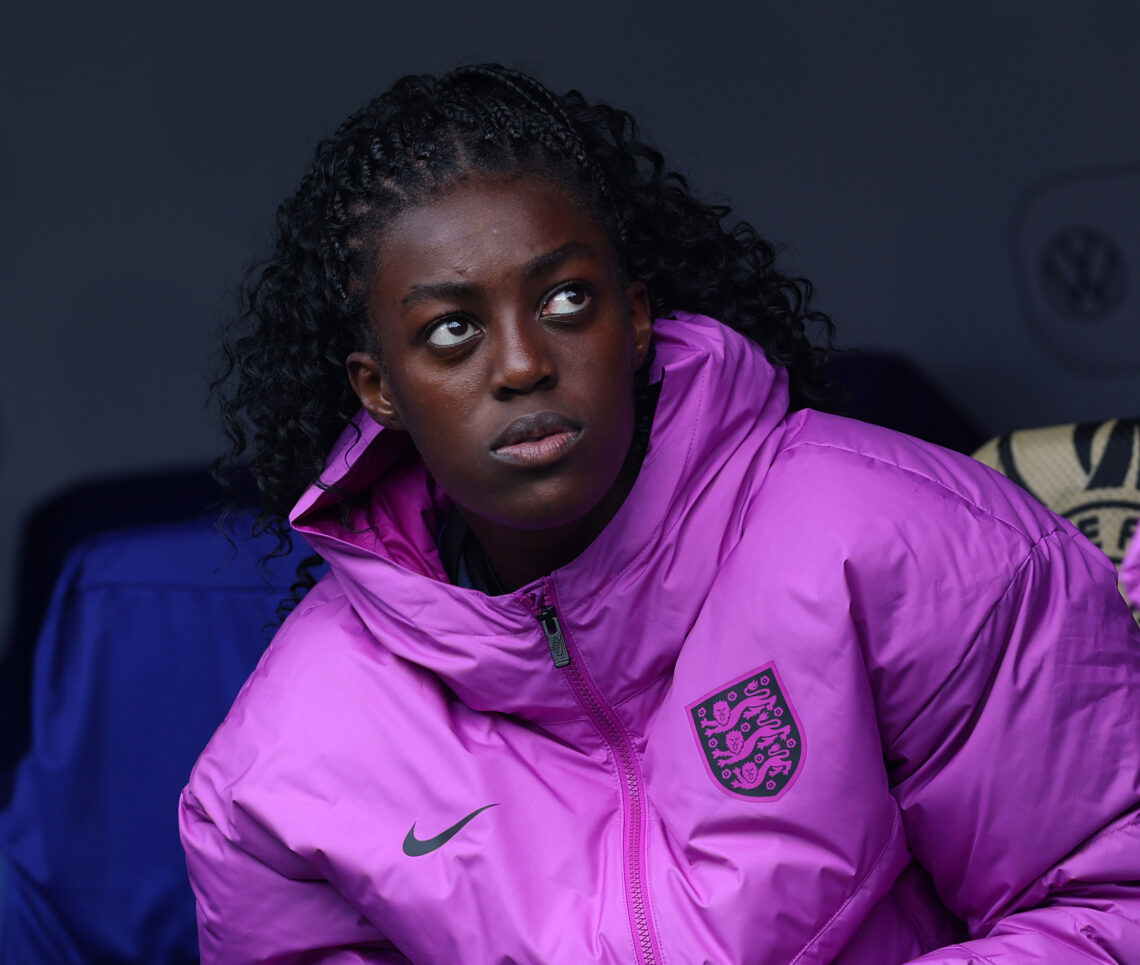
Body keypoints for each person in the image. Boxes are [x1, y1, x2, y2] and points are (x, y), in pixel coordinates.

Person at [179, 64, 1140, 964]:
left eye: (565, 299)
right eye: (452, 330)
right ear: (378, 386)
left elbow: (1111, 904)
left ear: (634, 318)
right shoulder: (285, 769)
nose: (520, 364)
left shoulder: (904, 543)